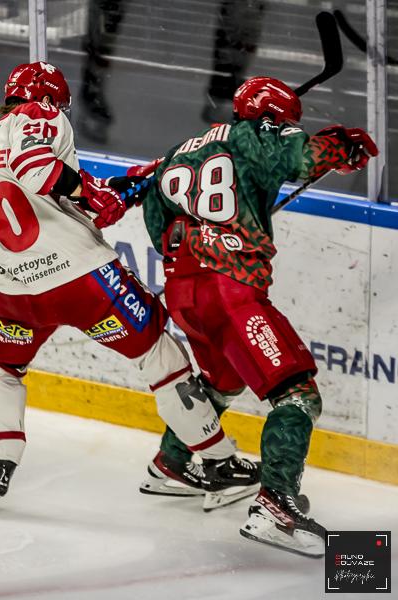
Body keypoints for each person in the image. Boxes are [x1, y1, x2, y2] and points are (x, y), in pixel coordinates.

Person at [0, 61, 260, 516]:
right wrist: (91, 192)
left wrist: (103, 192)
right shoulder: (39, 114)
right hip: (81, 279)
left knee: (2, 366)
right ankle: (218, 462)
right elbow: (35, 168)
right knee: (157, 354)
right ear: (51, 97)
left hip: (15, 290)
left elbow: (42, 194)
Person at [132, 76, 378, 556]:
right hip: (230, 293)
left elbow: (156, 220)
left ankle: (173, 464)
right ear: (271, 116)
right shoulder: (258, 133)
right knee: (298, 394)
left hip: (185, 293)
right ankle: (276, 507)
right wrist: (339, 143)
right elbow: (301, 157)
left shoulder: (180, 151)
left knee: (221, 381)